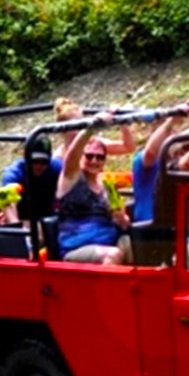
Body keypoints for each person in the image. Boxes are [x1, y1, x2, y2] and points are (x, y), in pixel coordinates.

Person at [55, 113, 131, 264]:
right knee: (113, 254)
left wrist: (122, 220)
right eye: (89, 156)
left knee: (137, 244)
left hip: (108, 239)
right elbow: (72, 153)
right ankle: (108, 288)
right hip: (77, 246)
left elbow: (123, 222)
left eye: (99, 157)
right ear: (81, 157)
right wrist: (91, 127)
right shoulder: (71, 177)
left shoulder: (106, 185)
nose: (94, 161)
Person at [130, 113, 185, 223]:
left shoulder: (177, 162)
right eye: (166, 135)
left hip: (176, 223)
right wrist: (169, 123)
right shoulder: (144, 161)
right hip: (150, 223)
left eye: (172, 133)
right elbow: (150, 152)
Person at [1, 135, 62, 223]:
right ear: (25, 158)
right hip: (23, 220)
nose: (39, 166)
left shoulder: (56, 167)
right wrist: (16, 226)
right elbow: (8, 202)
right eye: (35, 161)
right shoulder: (14, 173)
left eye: (44, 161)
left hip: (49, 220)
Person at [52, 97, 135, 159]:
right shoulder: (58, 156)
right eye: (75, 126)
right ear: (63, 129)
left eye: (82, 124)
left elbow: (128, 147)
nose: (80, 130)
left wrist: (122, 121)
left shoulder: (93, 143)